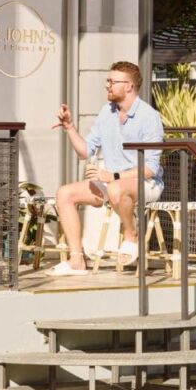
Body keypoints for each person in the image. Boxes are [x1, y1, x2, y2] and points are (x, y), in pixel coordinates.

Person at [49, 61, 164, 276]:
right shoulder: (107, 112)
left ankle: (131, 235)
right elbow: (86, 151)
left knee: (116, 189)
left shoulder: (149, 117)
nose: (107, 86)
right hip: (111, 182)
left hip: (145, 184)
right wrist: (69, 127)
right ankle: (76, 261)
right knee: (65, 193)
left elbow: (150, 168)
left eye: (112, 81)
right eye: (107, 81)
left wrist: (113, 176)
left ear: (129, 86)